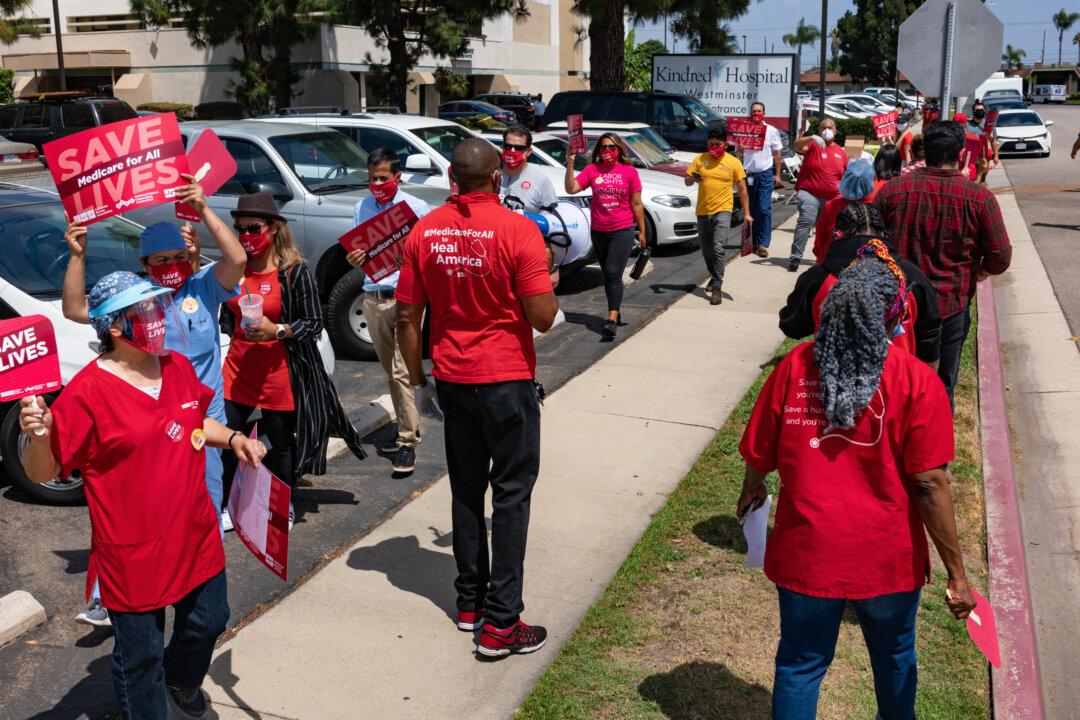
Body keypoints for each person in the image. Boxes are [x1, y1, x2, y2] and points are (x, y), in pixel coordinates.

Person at [738, 254, 975, 720]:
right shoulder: (917, 380)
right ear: (893, 315)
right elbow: (930, 483)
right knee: (893, 657)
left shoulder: (795, 367)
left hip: (808, 549)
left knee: (800, 664)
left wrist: (752, 489)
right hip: (886, 557)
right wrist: (958, 574)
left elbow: (759, 453)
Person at [22, 270, 267, 720]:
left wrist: (234, 439)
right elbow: (45, 470)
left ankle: (181, 679)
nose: (157, 317)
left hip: (194, 533)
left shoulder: (175, 366)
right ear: (115, 327)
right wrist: (39, 437)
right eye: (144, 310)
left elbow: (194, 421)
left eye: (157, 306)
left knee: (210, 620)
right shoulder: (87, 392)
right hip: (133, 551)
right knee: (141, 657)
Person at [395, 138, 558, 657]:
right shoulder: (518, 230)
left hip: (454, 380)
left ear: (452, 180)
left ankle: (471, 604)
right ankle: (502, 624)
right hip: (506, 380)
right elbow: (543, 317)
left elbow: (405, 317)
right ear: (496, 179)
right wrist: (547, 276)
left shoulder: (425, 230)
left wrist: (419, 382)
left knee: (466, 489)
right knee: (510, 495)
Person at [63, 176, 245, 624]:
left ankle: (200, 593)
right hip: (149, 422)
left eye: (178, 258)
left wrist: (203, 209)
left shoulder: (204, 286)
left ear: (189, 256)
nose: (170, 265)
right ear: (144, 263)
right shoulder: (137, 302)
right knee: (140, 513)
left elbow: (237, 258)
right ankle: (111, 596)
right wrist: (77, 255)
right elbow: (75, 310)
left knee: (205, 502)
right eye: (160, 260)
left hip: (204, 420)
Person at [221, 192, 366, 525]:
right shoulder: (234, 269)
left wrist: (278, 331)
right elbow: (225, 315)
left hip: (278, 372)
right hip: (239, 369)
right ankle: (230, 506)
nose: (246, 237)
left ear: (273, 229)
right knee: (229, 439)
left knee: (282, 444)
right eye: (239, 229)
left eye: (253, 228)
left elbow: (314, 322)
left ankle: (282, 504)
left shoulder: (293, 272)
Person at [876, 120, 1012, 404]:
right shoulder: (979, 198)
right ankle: (934, 442)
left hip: (898, 306)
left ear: (925, 151)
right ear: (961, 154)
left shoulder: (892, 191)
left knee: (892, 382)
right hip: (951, 304)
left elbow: (871, 244)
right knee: (940, 386)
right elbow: (1001, 256)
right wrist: (981, 271)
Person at [346, 148, 431, 474]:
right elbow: (357, 252)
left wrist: (410, 260)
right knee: (392, 373)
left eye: (384, 178)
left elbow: (427, 252)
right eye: (373, 178)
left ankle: (407, 441)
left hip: (406, 299)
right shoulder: (362, 207)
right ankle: (411, 424)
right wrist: (353, 259)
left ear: (397, 177)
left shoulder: (415, 208)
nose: (378, 184)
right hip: (373, 298)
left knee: (400, 371)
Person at [780, 202, 942, 366]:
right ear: (883, 233)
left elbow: (792, 326)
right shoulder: (913, 277)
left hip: (833, 377)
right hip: (897, 381)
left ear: (837, 235)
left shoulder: (818, 278)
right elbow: (930, 338)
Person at [564, 133, 646, 340]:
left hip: (622, 229)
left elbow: (636, 204)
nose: (607, 151)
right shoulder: (592, 170)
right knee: (609, 275)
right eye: (603, 148)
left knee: (612, 273)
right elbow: (571, 188)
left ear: (619, 149)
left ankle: (610, 321)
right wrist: (570, 164)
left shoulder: (629, 171)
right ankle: (616, 312)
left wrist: (642, 231)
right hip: (599, 231)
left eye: (611, 147)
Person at [685, 124, 751, 305]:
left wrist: (747, 213)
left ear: (725, 143)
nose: (714, 147)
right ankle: (714, 276)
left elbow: (743, 189)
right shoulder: (700, 159)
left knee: (718, 248)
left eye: (717, 144)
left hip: (723, 210)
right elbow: (687, 182)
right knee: (706, 251)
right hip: (702, 211)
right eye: (711, 144)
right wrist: (693, 177)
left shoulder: (733, 162)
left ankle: (717, 288)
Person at [790, 118, 849, 272]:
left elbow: (847, 175)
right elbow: (796, 146)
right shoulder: (813, 145)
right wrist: (811, 138)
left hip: (832, 198)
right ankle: (795, 257)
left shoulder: (841, 152)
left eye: (830, 127)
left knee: (828, 230)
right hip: (810, 193)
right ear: (819, 130)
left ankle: (823, 258)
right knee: (805, 223)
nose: (827, 130)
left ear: (835, 132)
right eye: (824, 127)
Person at [739, 102, 784, 257]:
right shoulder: (744, 130)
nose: (756, 113)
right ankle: (751, 241)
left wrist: (777, 174)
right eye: (754, 111)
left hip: (765, 174)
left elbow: (777, 154)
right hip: (749, 174)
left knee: (763, 209)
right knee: (751, 209)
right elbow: (739, 153)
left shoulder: (771, 130)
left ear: (764, 113)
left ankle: (763, 244)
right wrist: (739, 151)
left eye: (759, 111)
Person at [811, 160, 874, 261]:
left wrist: (819, 252)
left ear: (846, 179)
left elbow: (820, 233)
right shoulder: (874, 205)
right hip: (863, 259)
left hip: (831, 256)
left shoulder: (832, 204)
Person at [498, 123, 559, 214]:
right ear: (503, 148)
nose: (512, 151)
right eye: (508, 147)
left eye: (518, 148)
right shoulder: (493, 176)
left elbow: (551, 218)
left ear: (528, 152)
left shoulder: (541, 180)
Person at [967, 101, 999, 183]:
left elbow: (994, 141)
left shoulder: (989, 125)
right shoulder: (967, 125)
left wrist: (996, 156)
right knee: (973, 178)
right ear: (973, 111)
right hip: (972, 157)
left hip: (985, 157)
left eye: (982, 109)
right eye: (978, 110)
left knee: (982, 179)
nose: (980, 111)